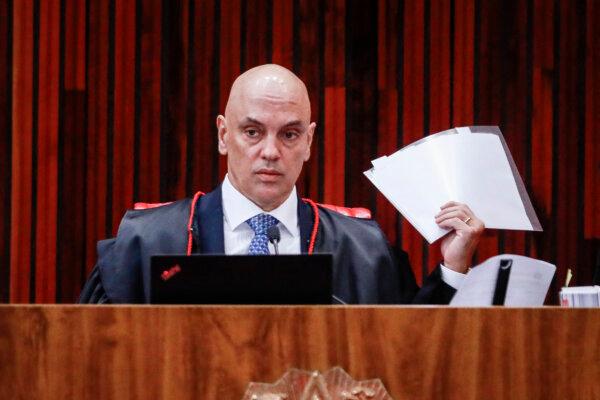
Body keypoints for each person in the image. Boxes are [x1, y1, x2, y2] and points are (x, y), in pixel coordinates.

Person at [79, 64, 484, 304]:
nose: (270, 152)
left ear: (308, 141)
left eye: (289, 135)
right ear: (223, 135)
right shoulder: (146, 241)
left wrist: (453, 266)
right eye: (252, 132)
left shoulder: (364, 249)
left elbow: (412, 353)